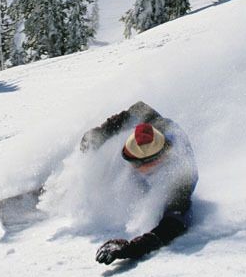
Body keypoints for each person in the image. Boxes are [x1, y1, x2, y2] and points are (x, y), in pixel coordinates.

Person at [80, 100, 198, 265]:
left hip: (159, 183)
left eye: (139, 164)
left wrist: (132, 248)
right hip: (153, 160)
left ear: (159, 158)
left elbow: (173, 225)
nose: (134, 167)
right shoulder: (157, 125)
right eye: (131, 161)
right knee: (111, 170)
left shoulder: (181, 178)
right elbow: (136, 109)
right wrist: (101, 133)